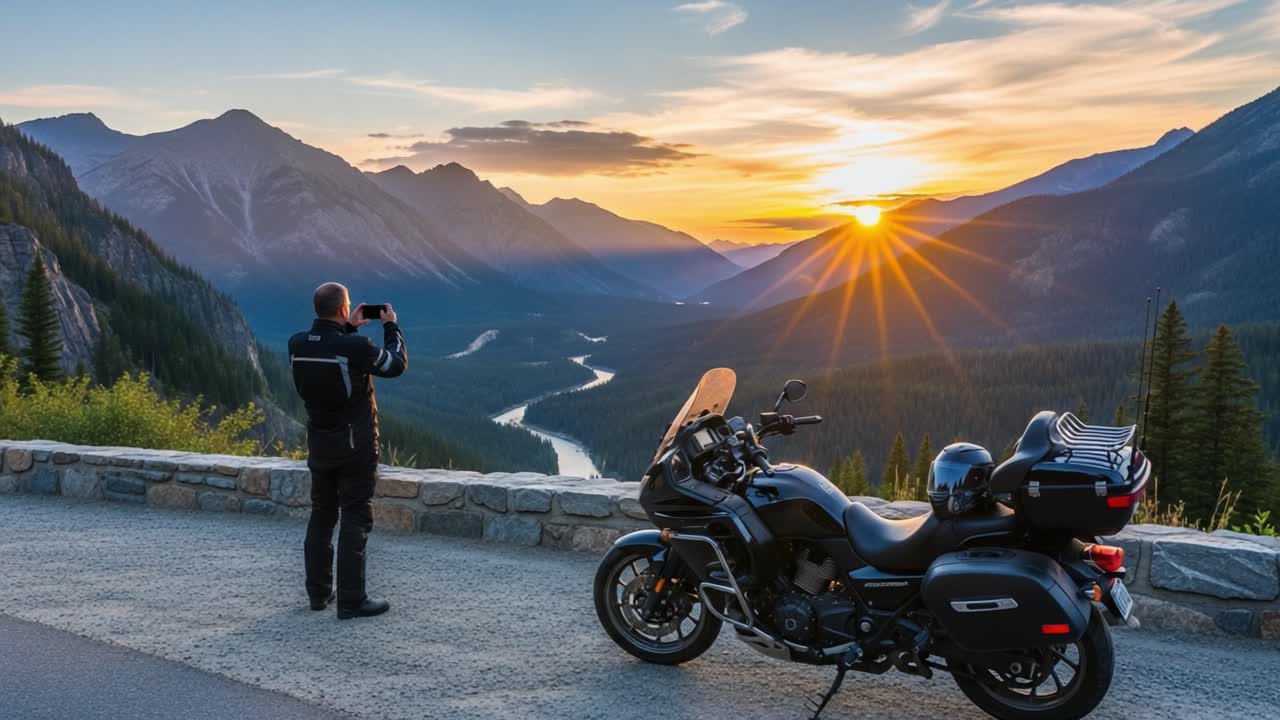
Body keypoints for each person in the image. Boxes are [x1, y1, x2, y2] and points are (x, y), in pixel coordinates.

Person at [289, 282, 407, 619]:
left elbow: (330, 350)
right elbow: (395, 364)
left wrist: (349, 327)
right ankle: (352, 600)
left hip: (319, 445)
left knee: (322, 516)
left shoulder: (296, 344)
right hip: (356, 447)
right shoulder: (355, 347)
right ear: (343, 308)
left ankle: (318, 594)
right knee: (356, 516)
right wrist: (390, 325)